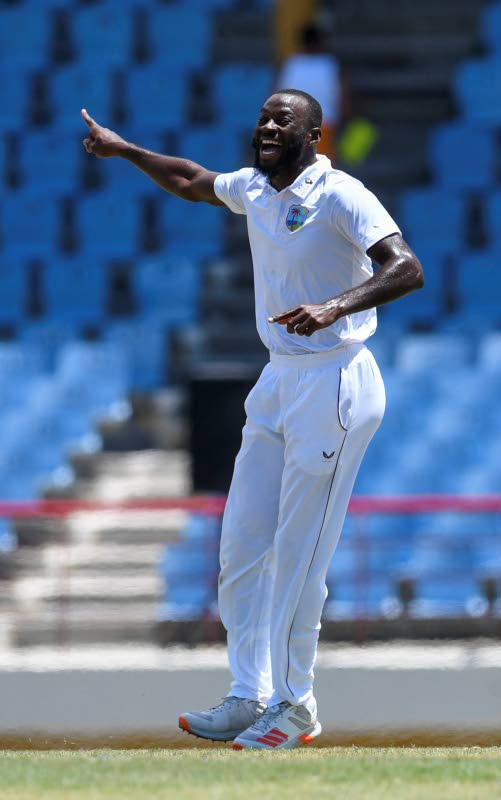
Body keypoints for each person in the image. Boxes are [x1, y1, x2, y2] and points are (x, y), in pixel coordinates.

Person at [80, 89, 424, 750]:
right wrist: (125, 151)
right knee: (240, 547)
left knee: (299, 558)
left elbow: (407, 267)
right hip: (278, 380)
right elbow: (190, 179)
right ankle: (249, 694)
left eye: (282, 120)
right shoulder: (256, 189)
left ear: (315, 136)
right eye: (263, 117)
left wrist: (334, 305)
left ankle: (296, 707)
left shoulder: (342, 194)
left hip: (336, 378)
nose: (267, 126)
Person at [278, 25, 346, 158]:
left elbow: (277, 95)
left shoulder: (291, 64)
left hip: (294, 126)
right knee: (322, 170)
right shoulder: (330, 64)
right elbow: (343, 97)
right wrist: (342, 121)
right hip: (323, 125)